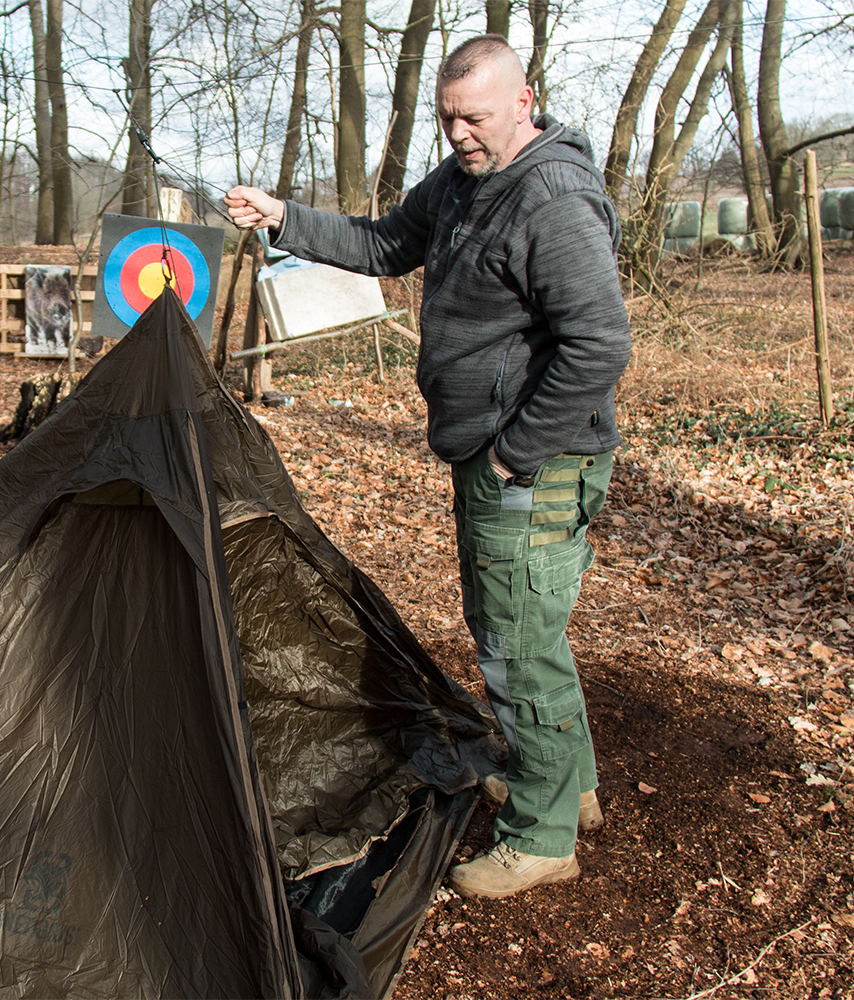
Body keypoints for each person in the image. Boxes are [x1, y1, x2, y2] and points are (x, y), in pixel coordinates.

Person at [224, 34, 631, 899]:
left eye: (475, 118)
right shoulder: (462, 181)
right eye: (448, 120)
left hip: (533, 460)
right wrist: (284, 218)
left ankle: (541, 836)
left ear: (525, 101)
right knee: (519, 631)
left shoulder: (551, 199)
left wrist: (515, 454)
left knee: (517, 648)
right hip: (494, 451)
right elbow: (383, 244)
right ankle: (567, 786)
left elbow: (599, 344)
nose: (458, 135)